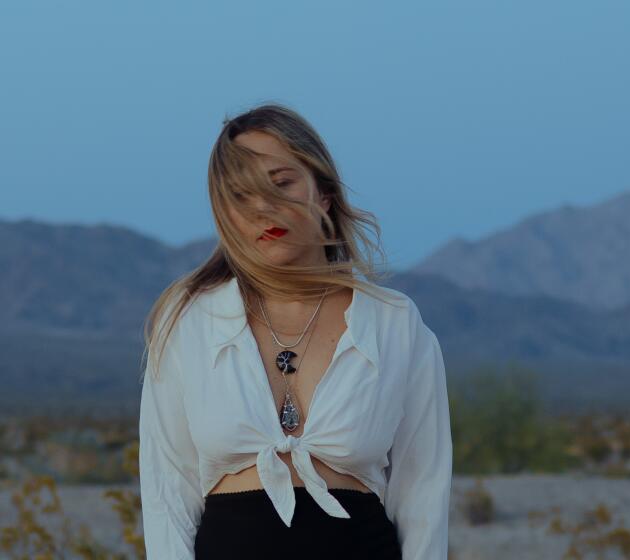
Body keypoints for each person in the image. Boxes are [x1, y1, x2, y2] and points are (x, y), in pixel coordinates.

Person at [137, 103, 452, 559]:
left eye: (280, 183)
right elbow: (168, 497)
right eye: (240, 196)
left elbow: (423, 497)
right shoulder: (189, 322)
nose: (263, 207)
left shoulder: (393, 322)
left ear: (322, 192)